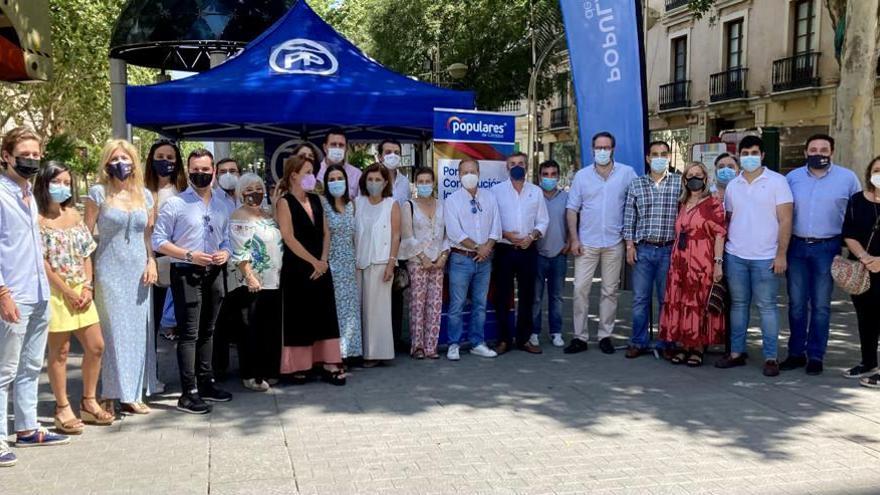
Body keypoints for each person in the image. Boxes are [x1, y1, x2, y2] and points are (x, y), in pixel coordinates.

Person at [0, 127, 69, 467]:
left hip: (39, 292)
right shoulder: (1, 194)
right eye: (24, 155)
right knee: (4, 370)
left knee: (30, 366)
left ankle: (27, 427)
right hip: (13, 294)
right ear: (6, 156)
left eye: (35, 155)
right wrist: (2, 292)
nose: (30, 160)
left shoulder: (29, 194)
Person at [153, 148, 233, 414]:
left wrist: (226, 252)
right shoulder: (175, 204)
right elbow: (159, 241)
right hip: (186, 272)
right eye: (195, 170)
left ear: (213, 172)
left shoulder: (223, 204)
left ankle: (206, 382)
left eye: (205, 170)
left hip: (214, 272)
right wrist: (188, 255)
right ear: (188, 171)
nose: (201, 175)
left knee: (209, 330)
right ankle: (188, 393)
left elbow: (227, 238)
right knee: (189, 333)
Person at [36, 162, 113, 434]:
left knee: (96, 346)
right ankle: (62, 407)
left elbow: (85, 252)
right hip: (56, 293)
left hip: (81, 290)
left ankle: (89, 401)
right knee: (60, 352)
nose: (62, 187)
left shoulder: (74, 216)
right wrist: (67, 291)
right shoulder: (37, 220)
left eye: (67, 182)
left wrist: (87, 287)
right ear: (44, 184)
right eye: (57, 181)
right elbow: (42, 263)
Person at [85, 139, 160, 415]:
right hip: (109, 269)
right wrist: (86, 275)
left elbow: (147, 235)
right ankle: (113, 391)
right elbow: (86, 235)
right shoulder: (97, 194)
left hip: (139, 270)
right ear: (106, 163)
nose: (121, 164)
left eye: (126, 158)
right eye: (115, 159)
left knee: (138, 331)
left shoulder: (146, 195)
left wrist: (151, 260)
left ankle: (133, 391)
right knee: (113, 332)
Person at [782, 134, 861, 375]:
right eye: (813, 149)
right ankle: (796, 353)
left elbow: (858, 213)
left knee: (821, 305)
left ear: (832, 152)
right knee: (796, 304)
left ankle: (816, 355)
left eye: (823, 149)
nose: (818, 153)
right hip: (796, 247)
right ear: (806, 153)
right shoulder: (791, 178)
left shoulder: (847, 178)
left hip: (828, 248)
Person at [715, 136, 793, 377]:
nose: (750, 156)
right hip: (735, 256)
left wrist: (781, 255)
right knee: (738, 306)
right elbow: (726, 220)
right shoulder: (733, 185)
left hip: (766, 258)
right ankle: (737, 352)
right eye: (745, 152)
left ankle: (771, 357)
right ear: (739, 155)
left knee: (767, 307)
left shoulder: (777, 182)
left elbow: (786, 220)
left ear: (762, 155)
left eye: (754, 152)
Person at [275, 155, 346, 385]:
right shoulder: (284, 202)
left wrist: (323, 261)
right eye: (307, 172)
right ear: (294, 175)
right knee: (300, 317)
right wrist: (313, 262)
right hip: (298, 268)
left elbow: (327, 233)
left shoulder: (317, 200)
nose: (311, 176)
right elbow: (289, 237)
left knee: (325, 315)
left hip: (321, 267)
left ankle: (328, 361)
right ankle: (298, 365)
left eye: (312, 172)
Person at [565, 131, 637, 354]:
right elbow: (571, 209)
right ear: (592, 149)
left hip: (614, 242)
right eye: (599, 148)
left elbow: (636, 203)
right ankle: (580, 337)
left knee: (609, 291)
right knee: (580, 290)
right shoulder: (582, 176)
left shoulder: (627, 173)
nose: (603, 151)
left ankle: (605, 335)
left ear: (613, 149)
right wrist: (574, 239)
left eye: (606, 148)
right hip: (586, 243)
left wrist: (630, 241)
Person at [659, 163, 727, 366]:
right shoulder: (682, 203)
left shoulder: (713, 203)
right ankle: (684, 345)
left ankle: (697, 347)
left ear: (706, 179)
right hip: (679, 260)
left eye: (698, 175)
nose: (694, 178)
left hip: (702, 260)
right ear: (684, 179)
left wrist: (718, 263)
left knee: (697, 302)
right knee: (679, 301)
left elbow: (719, 235)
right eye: (690, 175)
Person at [622, 140, 681, 358]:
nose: (659, 158)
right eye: (655, 154)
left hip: (669, 250)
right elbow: (629, 218)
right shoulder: (636, 184)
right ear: (648, 158)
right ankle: (639, 341)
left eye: (663, 154)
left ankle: (667, 343)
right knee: (640, 299)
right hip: (643, 249)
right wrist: (629, 246)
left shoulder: (679, 183)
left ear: (669, 157)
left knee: (667, 299)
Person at [228, 173, 284, 392]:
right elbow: (239, 250)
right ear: (241, 193)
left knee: (270, 329)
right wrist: (249, 275)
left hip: (274, 280)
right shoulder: (239, 216)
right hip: (252, 283)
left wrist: (277, 200)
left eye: (258, 187)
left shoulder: (267, 213)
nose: (254, 192)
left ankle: (270, 370)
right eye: (249, 188)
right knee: (250, 330)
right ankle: (250, 374)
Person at [491, 152, 548, 354]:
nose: (517, 166)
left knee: (528, 295)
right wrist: (505, 234)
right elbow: (492, 220)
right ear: (507, 168)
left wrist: (531, 236)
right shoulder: (496, 191)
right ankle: (503, 340)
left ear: (527, 167)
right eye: (513, 164)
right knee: (502, 295)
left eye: (521, 164)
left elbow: (543, 220)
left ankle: (524, 339)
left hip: (528, 249)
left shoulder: (536, 192)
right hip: (504, 248)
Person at [444, 159, 501, 361]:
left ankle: (477, 342)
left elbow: (496, 227)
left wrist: (487, 248)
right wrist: (478, 247)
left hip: (485, 261)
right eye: (464, 171)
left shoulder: (490, 197)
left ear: (479, 173)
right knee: (457, 304)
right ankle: (453, 344)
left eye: (472, 171)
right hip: (461, 259)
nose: (469, 175)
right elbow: (454, 233)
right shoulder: (451, 201)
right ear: (458, 175)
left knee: (479, 303)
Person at [144, 139, 186, 380]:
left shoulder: (183, 190)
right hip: (151, 260)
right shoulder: (142, 191)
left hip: (181, 259)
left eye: (170, 157)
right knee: (150, 321)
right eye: (160, 156)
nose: (165, 161)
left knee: (184, 323)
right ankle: (150, 376)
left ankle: (188, 377)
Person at [355, 164, 401, 366]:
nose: (374, 183)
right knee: (360, 309)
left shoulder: (392, 204)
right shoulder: (357, 202)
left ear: (385, 183)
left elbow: (396, 235)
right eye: (370, 179)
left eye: (378, 180)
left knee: (379, 311)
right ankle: (361, 351)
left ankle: (378, 353)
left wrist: (391, 263)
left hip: (381, 262)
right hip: (359, 262)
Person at [399, 167, 448, 359]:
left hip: (438, 262)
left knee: (435, 305)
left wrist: (443, 257)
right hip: (417, 262)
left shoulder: (442, 205)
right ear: (416, 184)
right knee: (417, 305)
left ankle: (431, 346)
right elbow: (407, 236)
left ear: (433, 183)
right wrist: (423, 258)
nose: (425, 184)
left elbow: (447, 235)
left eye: (428, 181)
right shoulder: (408, 206)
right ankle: (417, 346)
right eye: (421, 181)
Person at [841, 157, 880, 388]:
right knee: (865, 318)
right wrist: (865, 258)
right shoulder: (858, 200)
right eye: (876, 170)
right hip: (862, 269)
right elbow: (849, 232)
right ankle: (868, 362)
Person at [320, 164, 362, 362]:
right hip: (332, 262)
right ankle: (335, 354)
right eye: (332, 179)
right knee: (334, 311)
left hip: (349, 264)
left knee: (350, 311)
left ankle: (349, 352)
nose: (336, 182)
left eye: (340, 178)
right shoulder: (323, 205)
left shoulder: (351, 205)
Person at [378, 139, 411, 352]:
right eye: (388, 152)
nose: (392, 155)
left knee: (397, 292)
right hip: (378, 245)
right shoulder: (372, 179)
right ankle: (379, 340)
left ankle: (396, 338)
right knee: (378, 292)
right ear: (380, 156)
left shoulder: (405, 182)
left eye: (396, 152)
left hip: (398, 245)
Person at [531, 160, 568, 348]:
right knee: (535, 297)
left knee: (557, 297)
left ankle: (556, 332)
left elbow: (573, 222)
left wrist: (569, 243)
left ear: (558, 176)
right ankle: (534, 332)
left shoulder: (566, 198)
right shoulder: (533, 196)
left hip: (559, 255)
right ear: (539, 177)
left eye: (553, 174)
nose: (549, 178)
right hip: (537, 254)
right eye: (546, 174)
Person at [212, 157, 243, 379]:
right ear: (216, 174)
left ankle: (246, 367)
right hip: (221, 264)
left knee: (243, 318)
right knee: (220, 319)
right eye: (223, 171)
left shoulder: (249, 197)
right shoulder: (212, 199)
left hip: (245, 265)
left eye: (233, 170)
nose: (228, 175)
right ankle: (219, 368)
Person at [316, 128, 362, 199]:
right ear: (325, 147)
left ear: (346, 148)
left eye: (341, 145)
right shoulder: (315, 172)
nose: (337, 148)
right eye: (333, 144)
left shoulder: (357, 175)